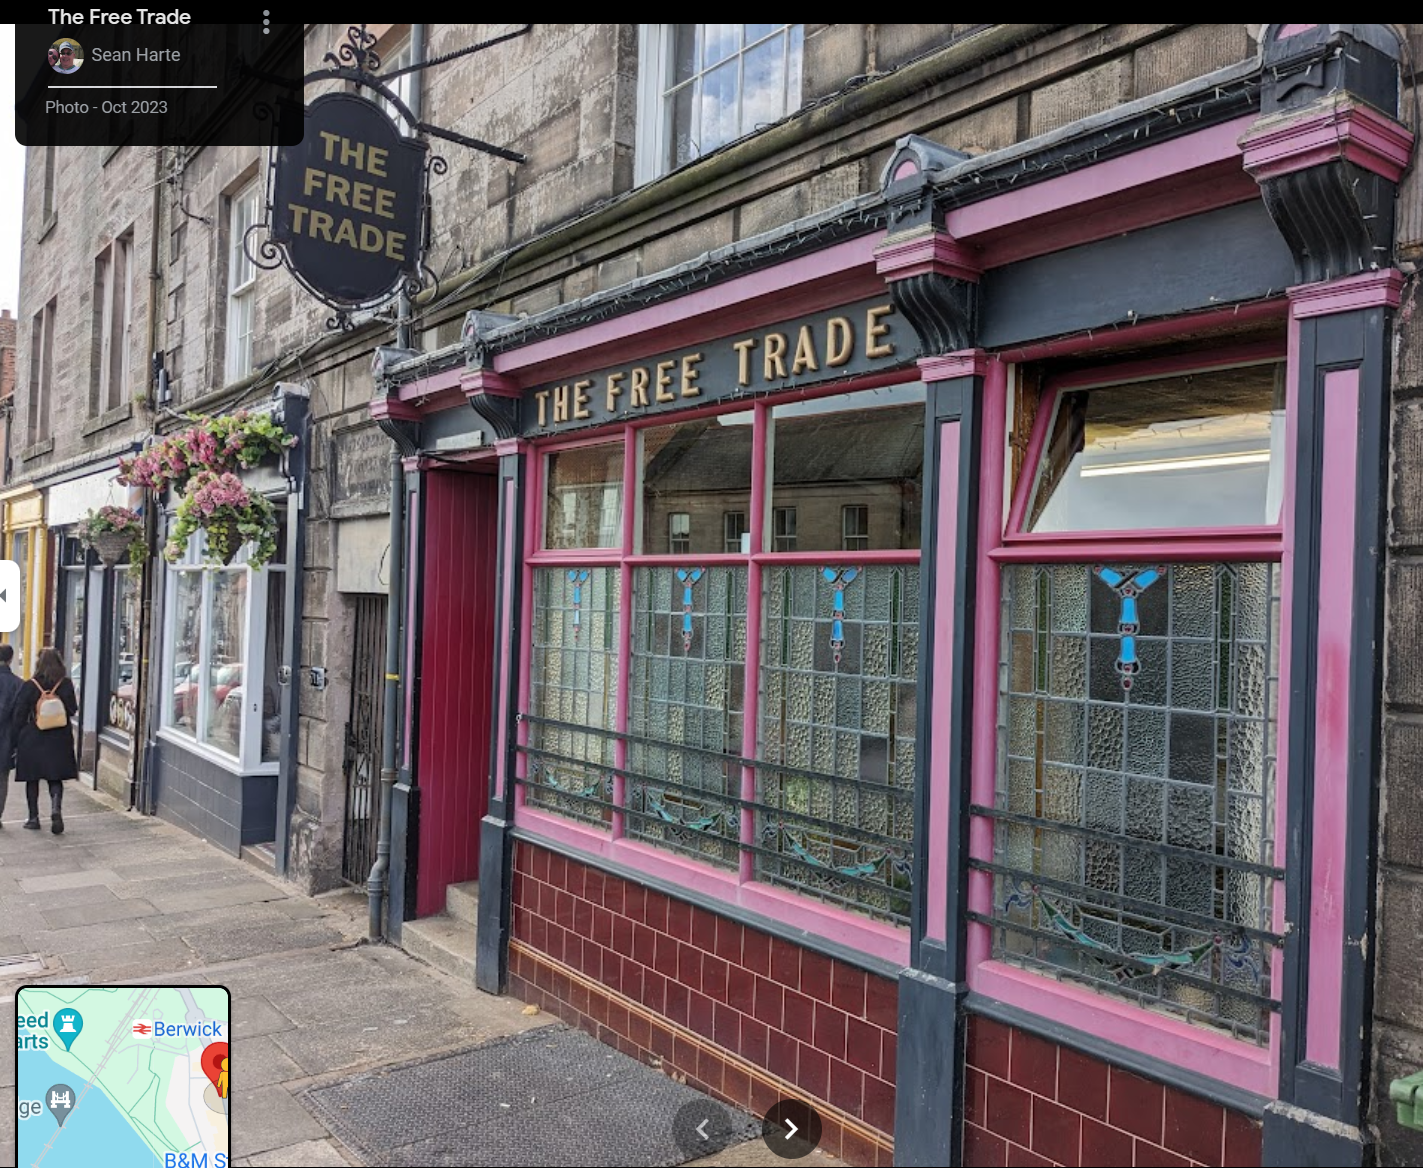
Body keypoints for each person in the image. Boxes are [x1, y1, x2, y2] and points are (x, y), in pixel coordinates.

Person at [12, 647, 79, 833]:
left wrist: (16, 739)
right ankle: (56, 808)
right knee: (54, 777)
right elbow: (72, 709)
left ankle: (33, 818)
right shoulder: (65, 684)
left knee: (32, 779)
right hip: (59, 738)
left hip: (34, 737)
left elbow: (19, 714)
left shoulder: (30, 685)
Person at [0, 645, 23, 825]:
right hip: (6, 738)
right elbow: (19, 717)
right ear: (10, 659)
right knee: (2, 779)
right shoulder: (18, 684)